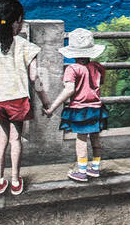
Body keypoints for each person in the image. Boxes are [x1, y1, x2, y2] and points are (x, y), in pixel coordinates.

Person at [0, 0, 48, 196]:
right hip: (17, 98)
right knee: (15, 138)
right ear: (18, 20)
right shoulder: (25, 46)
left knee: (1, 137)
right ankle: (15, 179)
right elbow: (34, 76)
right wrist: (45, 101)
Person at [44, 27, 109, 182]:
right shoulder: (98, 66)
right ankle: (95, 168)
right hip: (97, 108)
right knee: (95, 137)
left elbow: (69, 90)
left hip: (80, 109)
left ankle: (81, 171)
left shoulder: (72, 69)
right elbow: (101, 82)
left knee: (81, 139)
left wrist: (52, 107)